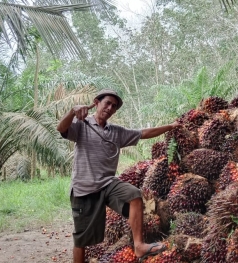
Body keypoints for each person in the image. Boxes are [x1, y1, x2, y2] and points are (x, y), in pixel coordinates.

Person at [56, 89, 180, 263]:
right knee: (81, 240)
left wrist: (170, 127)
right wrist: (71, 112)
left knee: (134, 195)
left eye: (114, 106)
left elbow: (144, 133)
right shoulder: (81, 125)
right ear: (96, 103)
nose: (110, 108)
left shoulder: (116, 132)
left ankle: (139, 246)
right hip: (84, 189)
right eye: (107, 103)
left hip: (107, 184)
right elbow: (61, 128)